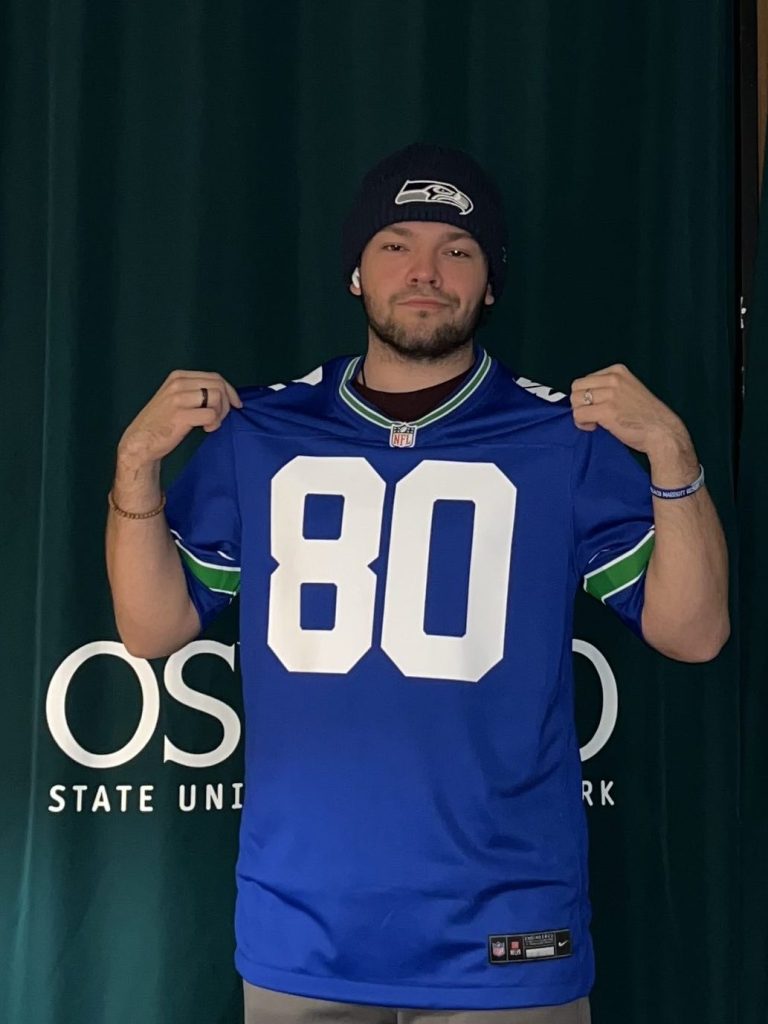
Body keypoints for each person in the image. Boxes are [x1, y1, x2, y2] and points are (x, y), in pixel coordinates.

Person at [106, 144, 729, 1024]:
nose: (426, 271)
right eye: (396, 243)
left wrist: (673, 453)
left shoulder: (565, 436)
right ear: (356, 271)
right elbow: (153, 629)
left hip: (512, 936)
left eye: (459, 249)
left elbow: (694, 631)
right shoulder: (261, 431)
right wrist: (136, 469)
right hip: (304, 934)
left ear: (490, 283)